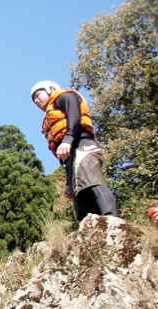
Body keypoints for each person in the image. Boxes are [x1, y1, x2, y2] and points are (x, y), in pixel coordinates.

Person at [30, 80, 117, 222]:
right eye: (34, 100)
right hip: (70, 157)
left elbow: (74, 116)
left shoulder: (64, 97)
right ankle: (89, 227)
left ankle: (111, 218)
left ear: (50, 89)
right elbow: (62, 153)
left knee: (91, 181)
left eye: (38, 95)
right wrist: (68, 183)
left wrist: (68, 139)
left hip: (83, 144)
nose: (36, 100)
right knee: (79, 194)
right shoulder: (49, 118)